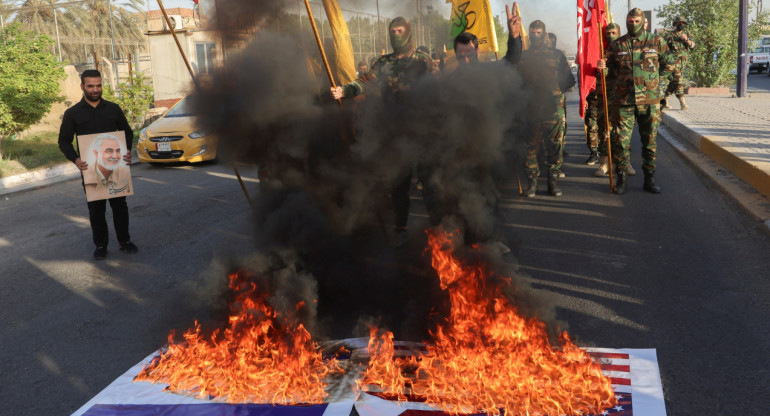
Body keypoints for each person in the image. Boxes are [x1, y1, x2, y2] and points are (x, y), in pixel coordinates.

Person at [331, 17, 434, 244]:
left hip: (421, 131)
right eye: (392, 31)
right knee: (398, 184)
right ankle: (401, 228)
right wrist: (344, 90)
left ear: (408, 32)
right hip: (395, 133)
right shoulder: (383, 62)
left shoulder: (422, 60)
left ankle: (438, 229)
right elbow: (365, 81)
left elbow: (434, 86)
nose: (396, 34)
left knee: (431, 183)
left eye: (400, 30)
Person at [59, 69, 138, 260]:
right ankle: (101, 245)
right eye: (91, 86)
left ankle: (124, 241)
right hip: (91, 170)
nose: (96, 89)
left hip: (116, 167)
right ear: (82, 87)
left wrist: (126, 151)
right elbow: (64, 141)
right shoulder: (72, 114)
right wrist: (76, 159)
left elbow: (127, 131)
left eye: (99, 85)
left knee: (120, 207)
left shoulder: (113, 109)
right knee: (96, 210)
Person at [598, 8, 675, 194]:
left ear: (643, 21)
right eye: (630, 21)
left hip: (650, 101)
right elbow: (608, 72)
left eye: (636, 20)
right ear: (626, 21)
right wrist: (603, 67)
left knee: (649, 142)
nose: (632, 23)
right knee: (620, 142)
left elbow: (670, 64)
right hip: (624, 102)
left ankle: (649, 179)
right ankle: (621, 178)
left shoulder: (656, 41)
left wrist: (654, 81)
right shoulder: (617, 45)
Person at [518, 20, 575, 197]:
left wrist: (554, 91)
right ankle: (532, 182)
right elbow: (515, 81)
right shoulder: (523, 57)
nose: (535, 36)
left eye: (538, 33)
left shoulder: (557, 55)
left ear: (544, 35)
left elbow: (569, 81)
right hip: (531, 108)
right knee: (530, 147)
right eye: (532, 33)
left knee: (555, 147)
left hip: (552, 108)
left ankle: (553, 182)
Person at [82, 133, 132, 199]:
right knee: (96, 208)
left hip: (119, 191)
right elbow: (65, 140)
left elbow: (128, 132)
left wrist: (127, 149)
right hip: (94, 196)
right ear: (96, 153)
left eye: (118, 151)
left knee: (120, 207)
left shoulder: (124, 173)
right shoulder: (88, 176)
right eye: (109, 151)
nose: (115, 156)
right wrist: (75, 159)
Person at [661, 16, 695, 110]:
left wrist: (687, 40)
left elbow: (693, 46)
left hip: (682, 64)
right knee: (679, 81)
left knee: (674, 82)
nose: (681, 24)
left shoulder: (687, 34)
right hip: (672, 64)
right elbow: (662, 49)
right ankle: (682, 102)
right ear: (675, 24)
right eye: (679, 22)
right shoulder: (669, 36)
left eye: (683, 23)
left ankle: (665, 100)